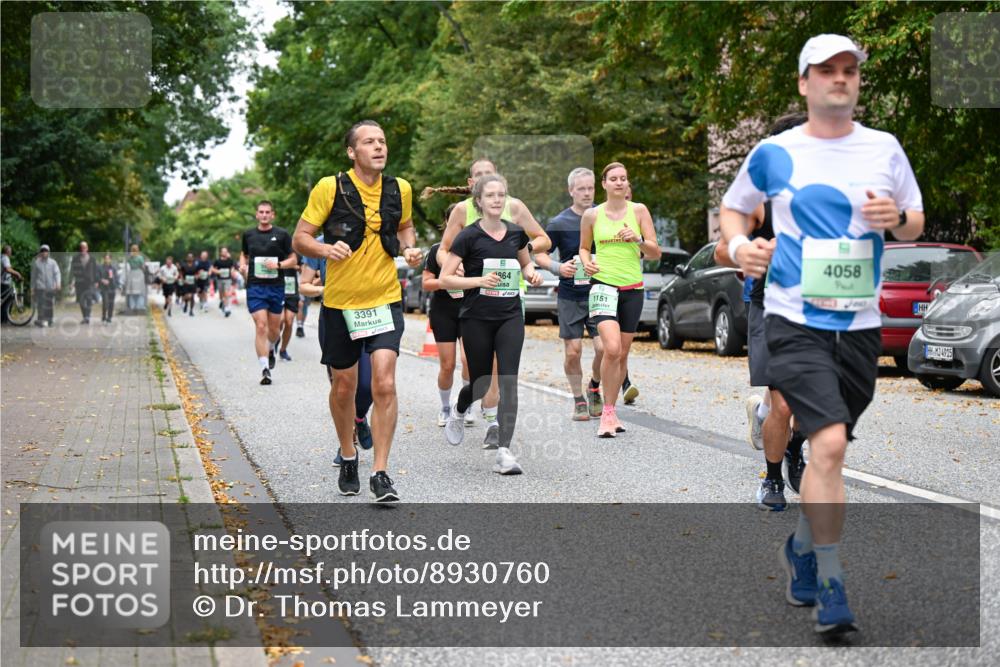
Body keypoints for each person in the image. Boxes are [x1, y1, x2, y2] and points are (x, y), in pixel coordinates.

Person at [721, 34, 924, 636]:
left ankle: (803, 546)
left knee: (832, 444)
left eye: (849, 70)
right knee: (828, 444)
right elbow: (735, 210)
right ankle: (831, 585)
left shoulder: (884, 148)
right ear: (805, 83)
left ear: (858, 81)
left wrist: (899, 222)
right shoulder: (774, 152)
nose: (840, 78)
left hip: (859, 326)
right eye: (826, 70)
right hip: (792, 319)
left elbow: (914, 219)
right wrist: (739, 246)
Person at [292, 120, 423, 502]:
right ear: (352, 152)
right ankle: (348, 454)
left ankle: (380, 472)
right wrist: (325, 250)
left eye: (382, 141)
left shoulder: (401, 189)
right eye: (369, 142)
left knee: (383, 383)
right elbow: (301, 237)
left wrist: (409, 249)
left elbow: (405, 227)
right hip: (340, 304)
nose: (379, 147)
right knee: (344, 386)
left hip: (384, 299)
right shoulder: (329, 187)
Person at [715, 112, 810, 511]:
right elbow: (722, 249)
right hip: (770, 305)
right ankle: (772, 480)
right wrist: (748, 252)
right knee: (785, 402)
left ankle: (792, 444)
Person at [431, 158, 552, 444]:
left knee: (506, 372)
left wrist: (521, 252)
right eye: (480, 177)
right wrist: (456, 267)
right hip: (474, 304)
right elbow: (444, 250)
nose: (487, 181)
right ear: (472, 185)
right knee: (479, 375)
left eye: (491, 175)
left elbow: (542, 240)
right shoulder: (462, 213)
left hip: (510, 302)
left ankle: (497, 431)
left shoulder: (516, 210)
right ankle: (462, 408)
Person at [579, 162, 660, 438]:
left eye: (623, 178)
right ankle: (605, 415)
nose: (619, 182)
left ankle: (610, 411)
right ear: (604, 184)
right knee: (611, 349)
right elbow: (583, 247)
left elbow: (654, 251)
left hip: (632, 289)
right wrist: (586, 262)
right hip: (603, 286)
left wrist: (637, 238)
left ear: (627, 184)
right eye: (613, 178)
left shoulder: (639, 211)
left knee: (622, 353)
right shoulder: (591, 215)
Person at [536, 168, 605, 420]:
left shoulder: (605, 215)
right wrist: (558, 267)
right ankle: (578, 399)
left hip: (600, 291)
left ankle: (595, 385)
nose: (587, 193)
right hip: (570, 295)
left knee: (604, 349)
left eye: (590, 188)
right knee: (573, 351)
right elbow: (540, 253)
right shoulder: (558, 223)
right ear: (571, 191)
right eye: (581, 189)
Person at [300, 237, 375, 464]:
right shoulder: (318, 244)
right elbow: (304, 285)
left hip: (366, 315)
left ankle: (360, 419)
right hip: (333, 316)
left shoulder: (370, 236)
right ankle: (346, 446)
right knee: (342, 387)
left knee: (366, 385)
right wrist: (324, 288)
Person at [421, 204, 474, 429]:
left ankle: (466, 404)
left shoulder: (476, 248)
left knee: (469, 361)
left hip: (470, 310)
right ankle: (444, 407)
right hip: (444, 311)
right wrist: (447, 281)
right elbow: (426, 283)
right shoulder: (437, 251)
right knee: (448, 364)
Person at [240, 201, 296, 385]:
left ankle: (271, 348)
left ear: (273, 215)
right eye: (261, 212)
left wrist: (278, 265)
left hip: (276, 287)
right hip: (255, 287)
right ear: (256, 215)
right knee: (261, 326)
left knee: (274, 329)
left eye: (267, 212)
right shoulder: (249, 235)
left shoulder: (282, 235)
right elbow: (244, 254)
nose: (264, 215)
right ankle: (265, 369)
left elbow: (293, 258)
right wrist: (242, 265)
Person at [70, 241, 100, 324]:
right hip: (79, 282)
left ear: (87, 248)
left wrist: (97, 281)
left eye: (84, 247)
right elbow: (72, 271)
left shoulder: (92, 259)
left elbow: (95, 270)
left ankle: (87, 316)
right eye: (81, 247)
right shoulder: (75, 259)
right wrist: (71, 281)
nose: (83, 249)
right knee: (81, 300)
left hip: (90, 282)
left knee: (89, 298)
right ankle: (84, 316)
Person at [31, 244, 60, 327]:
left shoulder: (53, 263)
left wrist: (58, 283)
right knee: (40, 304)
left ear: (48, 252)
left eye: (46, 251)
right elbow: (34, 276)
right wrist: (32, 288)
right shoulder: (37, 263)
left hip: (50, 287)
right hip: (40, 287)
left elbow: (57, 273)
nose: (44, 253)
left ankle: (49, 319)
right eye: (42, 251)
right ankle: (40, 320)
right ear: (40, 252)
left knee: (49, 303)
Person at [277, 259, 301, 361]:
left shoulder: (295, 252)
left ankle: (283, 350)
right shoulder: (277, 248)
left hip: (292, 291)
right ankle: (274, 340)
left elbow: (302, 268)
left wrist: (295, 266)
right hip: (278, 290)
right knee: (280, 320)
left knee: (289, 322)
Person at [1, 244, 23, 323]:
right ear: (7, 251)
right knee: (7, 301)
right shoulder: (5, 258)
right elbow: (7, 269)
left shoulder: (1, 257)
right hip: (3, 283)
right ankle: (4, 320)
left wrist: (12, 275)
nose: (11, 253)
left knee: (4, 301)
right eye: (10, 251)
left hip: (3, 282)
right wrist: (17, 274)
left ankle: (4, 319)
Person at [211, 247, 235, 317]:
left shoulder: (230, 260)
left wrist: (232, 271)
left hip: (228, 279)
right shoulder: (217, 261)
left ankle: (227, 308)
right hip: (220, 279)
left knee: (226, 293)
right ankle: (222, 302)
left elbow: (232, 267)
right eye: (223, 252)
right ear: (221, 253)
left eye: (225, 252)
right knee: (221, 295)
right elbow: (212, 269)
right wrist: (217, 271)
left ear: (227, 252)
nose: (224, 253)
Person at [124, 244, 147, 313]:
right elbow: (143, 267)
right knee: (140, 291)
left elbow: (126, 263)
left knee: (132, 290)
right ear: (138, 250)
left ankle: (132, 306)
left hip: (131, 273)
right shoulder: (140, 257)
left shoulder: (129, 257)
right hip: (139, 273)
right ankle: (139, 306)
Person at [97, 253, 119, 323]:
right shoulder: (100, 267)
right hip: (104, 288)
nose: (107, 260)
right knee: (105, 302)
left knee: (111, 303)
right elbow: (97, 277)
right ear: (104, 259)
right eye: (106, 258)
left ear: (110, 259)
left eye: (108, 258)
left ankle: (109, 317)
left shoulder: (113, 268)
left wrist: (112, 279)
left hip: (112, 287)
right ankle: (104, 316)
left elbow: (116, 278)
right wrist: (102, 280)